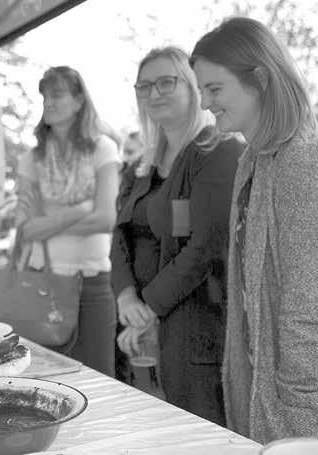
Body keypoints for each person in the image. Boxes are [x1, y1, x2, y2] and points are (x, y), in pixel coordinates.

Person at [190, 17, 318, 443]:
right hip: (258, 396)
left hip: (300, 412)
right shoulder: (252, 163)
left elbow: (313, 305)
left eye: (214, 88)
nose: (205, 102)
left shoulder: (309, 163)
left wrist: (298, 409)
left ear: (258, 78)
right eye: (202, 90)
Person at [111, 46, 243, 425]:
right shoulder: (139, 165)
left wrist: (148, 308)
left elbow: (207, 246)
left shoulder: (219, 151)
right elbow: (118, 236)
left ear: (192, 87)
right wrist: (125, 297)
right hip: (138, 330)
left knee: (196, 435)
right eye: (144, 86)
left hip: (194, 332)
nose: (154, 93)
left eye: (166, 82)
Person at [15, 65, 120, 376]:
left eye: (57, 95)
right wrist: (79, 210)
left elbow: (105, 219)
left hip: (93, 282)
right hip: (43, 280)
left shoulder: (103, 148)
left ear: (78, 101)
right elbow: (25, 227)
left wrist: (47, 222)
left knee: (100, 378)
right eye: (44, 96)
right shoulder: (30, 159)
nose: (48, 102)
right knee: (46, 375)